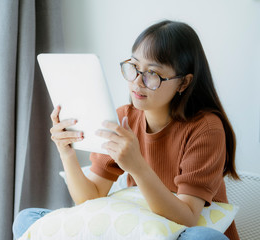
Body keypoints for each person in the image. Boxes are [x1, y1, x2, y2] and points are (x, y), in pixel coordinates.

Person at [13, 20, 240, 240]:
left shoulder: (206, 128)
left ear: (183, 83)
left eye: (153, 73)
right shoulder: (123, 117)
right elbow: (89, 197)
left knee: (202, 238)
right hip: (141, 230)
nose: (137, 82)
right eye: (134, 67)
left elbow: (188, 218)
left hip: (184, 229)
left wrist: (138, 167)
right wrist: (66, 152)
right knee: (27, 219)